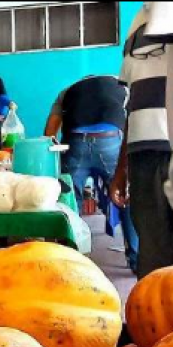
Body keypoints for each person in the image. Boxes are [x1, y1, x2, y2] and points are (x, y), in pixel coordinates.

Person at [44, 75, 137, 273]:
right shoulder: (122, 86)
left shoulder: (67, 90)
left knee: (68, 200)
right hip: (111, 141)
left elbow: (50, 132)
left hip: (75, 142)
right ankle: (136, 258)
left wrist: (56, 163)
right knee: (125, 195)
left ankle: (69, 260)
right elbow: (134, 118)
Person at [111, 2, 173, 279]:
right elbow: (132, 103)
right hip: (142, 152)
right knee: (153, 253)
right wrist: (120, 169)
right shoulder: (135, 26)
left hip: (168, 144)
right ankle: (154, 319)